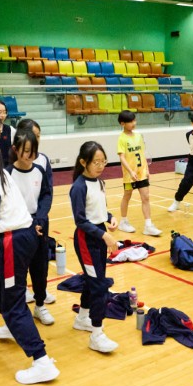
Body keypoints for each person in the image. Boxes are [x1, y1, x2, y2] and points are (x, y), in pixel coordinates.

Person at [0, 132, 64, 381]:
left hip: (13, 242)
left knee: (14, 302)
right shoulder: (2, 174)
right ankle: (12, 325)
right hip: (24, 236)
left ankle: (41, 361)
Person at [69, 141, 120, 353]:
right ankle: (96, 335)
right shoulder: (78, 187)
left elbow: (99, 209)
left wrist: (110, 217)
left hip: (99, 234)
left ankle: (82, 317)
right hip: (86, 240)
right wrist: (104, 235)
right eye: (96, 162)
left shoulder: (99, 182)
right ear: (83, 162)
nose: (100, 166)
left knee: (94, 282)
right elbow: (81, 220)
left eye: (103, 162)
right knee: (99, 286)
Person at [8, 128, 56, 326]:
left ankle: (40, 304)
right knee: (18, 271)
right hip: (19, 227)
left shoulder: (39, 170)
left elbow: (46, 195)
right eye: (26, 151)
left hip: (39, 225)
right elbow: (8, 204)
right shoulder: (8, 174)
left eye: (33, 151)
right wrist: (28, 224)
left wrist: (40, 220)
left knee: (40, 268)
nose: (30, 155)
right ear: (15, 149)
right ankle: (19, 309)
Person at [116, 110, 161, 237]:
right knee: (127, 196)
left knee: (145, 197)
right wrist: (130, 172)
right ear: (122, 123)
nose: (134, 123)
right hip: (129, 174)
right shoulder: (122, 138)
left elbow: (142, 154)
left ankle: (148, 225)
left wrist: (147, 169)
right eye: (130, 121)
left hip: (141, 172)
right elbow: (122, 157)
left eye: (134, 120)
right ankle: (123, 221)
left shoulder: (139, 136)